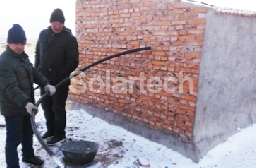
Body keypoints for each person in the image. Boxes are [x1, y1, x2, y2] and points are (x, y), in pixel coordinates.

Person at [0, 24, 56, 168]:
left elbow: (34, 73)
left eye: (22, 43)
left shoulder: (23, 58)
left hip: (27, 105)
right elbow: (10, 87)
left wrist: (46, 84)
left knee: (28, 132)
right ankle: (12, 165)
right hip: (13, 108)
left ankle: (28, 155)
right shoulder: (4, 61)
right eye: (16, 43)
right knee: (13, 139)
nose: (19, 46)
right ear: (9, 43)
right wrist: (25, 102)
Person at [34, 8, 79, 145]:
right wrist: (36, 72)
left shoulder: (69, 39)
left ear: (63, 24)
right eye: (54, 22)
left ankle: (59, 133)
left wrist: (59, 77)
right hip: (44, 80)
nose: (56, 25)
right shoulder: (43, 35)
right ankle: (51, 130)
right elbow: (37, 54)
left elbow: (73, 61)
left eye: (59, 23)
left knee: (58, 108)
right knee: (46, 106)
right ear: (50, 23)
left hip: (60, 82)